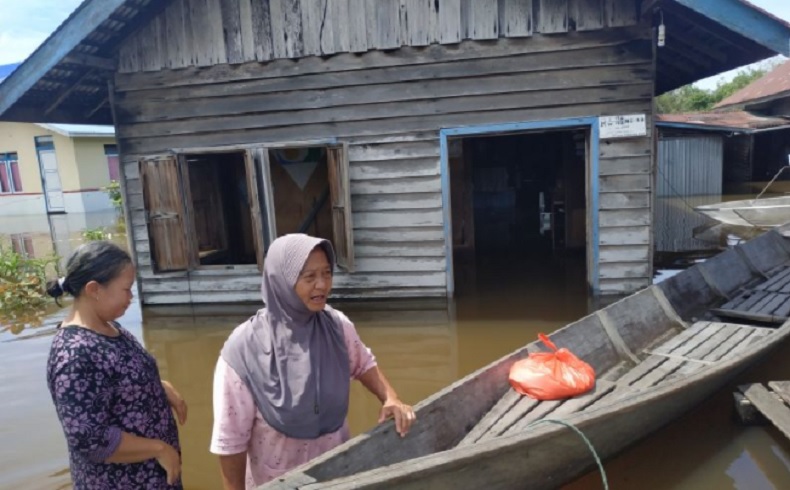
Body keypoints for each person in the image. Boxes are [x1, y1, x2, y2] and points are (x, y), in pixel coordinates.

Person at [210, 234, 416, 489]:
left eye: (327, 273)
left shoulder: (337, 326)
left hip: (337, 475)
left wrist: (390, 397)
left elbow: (363, 363)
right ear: (281, 281)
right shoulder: (243, 350)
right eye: (309, 277)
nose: (322, 285)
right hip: (277, 481)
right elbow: (230, 442)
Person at [45, 241, 188, 489]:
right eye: (126, 289)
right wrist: (159, 448)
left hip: (153, 475)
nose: (131, 297)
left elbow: (122, 378)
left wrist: (158, 386)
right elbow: (89, 438)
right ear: (94, 289)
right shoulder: (75, 355)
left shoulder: (110, 326)